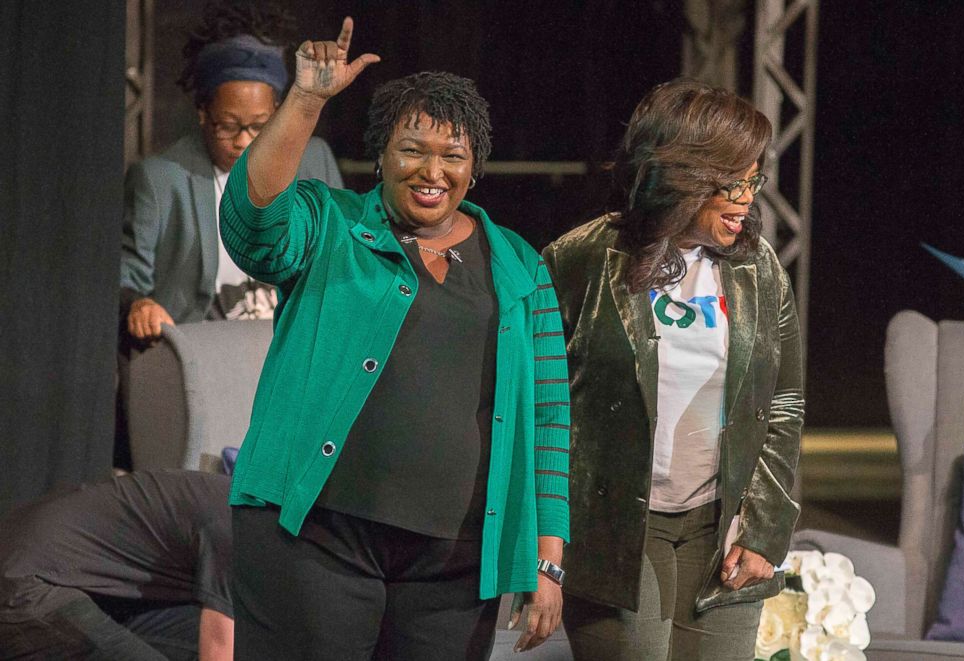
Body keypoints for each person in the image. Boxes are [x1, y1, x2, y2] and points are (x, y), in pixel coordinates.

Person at [219, 18, 570, 660]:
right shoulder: (330, 225)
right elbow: (252, 225)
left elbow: (547, 417)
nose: (431, 170)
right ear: (380, 154)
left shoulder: (519, 263)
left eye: (453, 156)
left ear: (475, 168)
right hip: (314, 541)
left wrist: (547, 560)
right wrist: (305, 99)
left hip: (452, 570)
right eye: (412, 150)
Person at [543, 79, 804, 660]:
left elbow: (783, 401)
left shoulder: (757, 267)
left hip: (721, 526)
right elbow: (546, 409)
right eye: (730, 181)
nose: (746, 198)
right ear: (683, 178)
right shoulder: (581, 259)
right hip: (618, 525)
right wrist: (545, 544)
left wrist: (765, 525)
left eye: (753, 179)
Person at [119, 1, 344, 341]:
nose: (243, 141)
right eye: (227, 126)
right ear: (202, 113)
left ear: (278, 112)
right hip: (205, 350)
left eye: (259, 126)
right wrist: (139, 304)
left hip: (293, 343)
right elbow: (125, 278)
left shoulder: (314, 159)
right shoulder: (160, 179)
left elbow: (340, 258)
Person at [0, 470, 234, 661]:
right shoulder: (239, 529)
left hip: (95, 589)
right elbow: (218, 649)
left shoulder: (249, 510)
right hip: (29, 582)